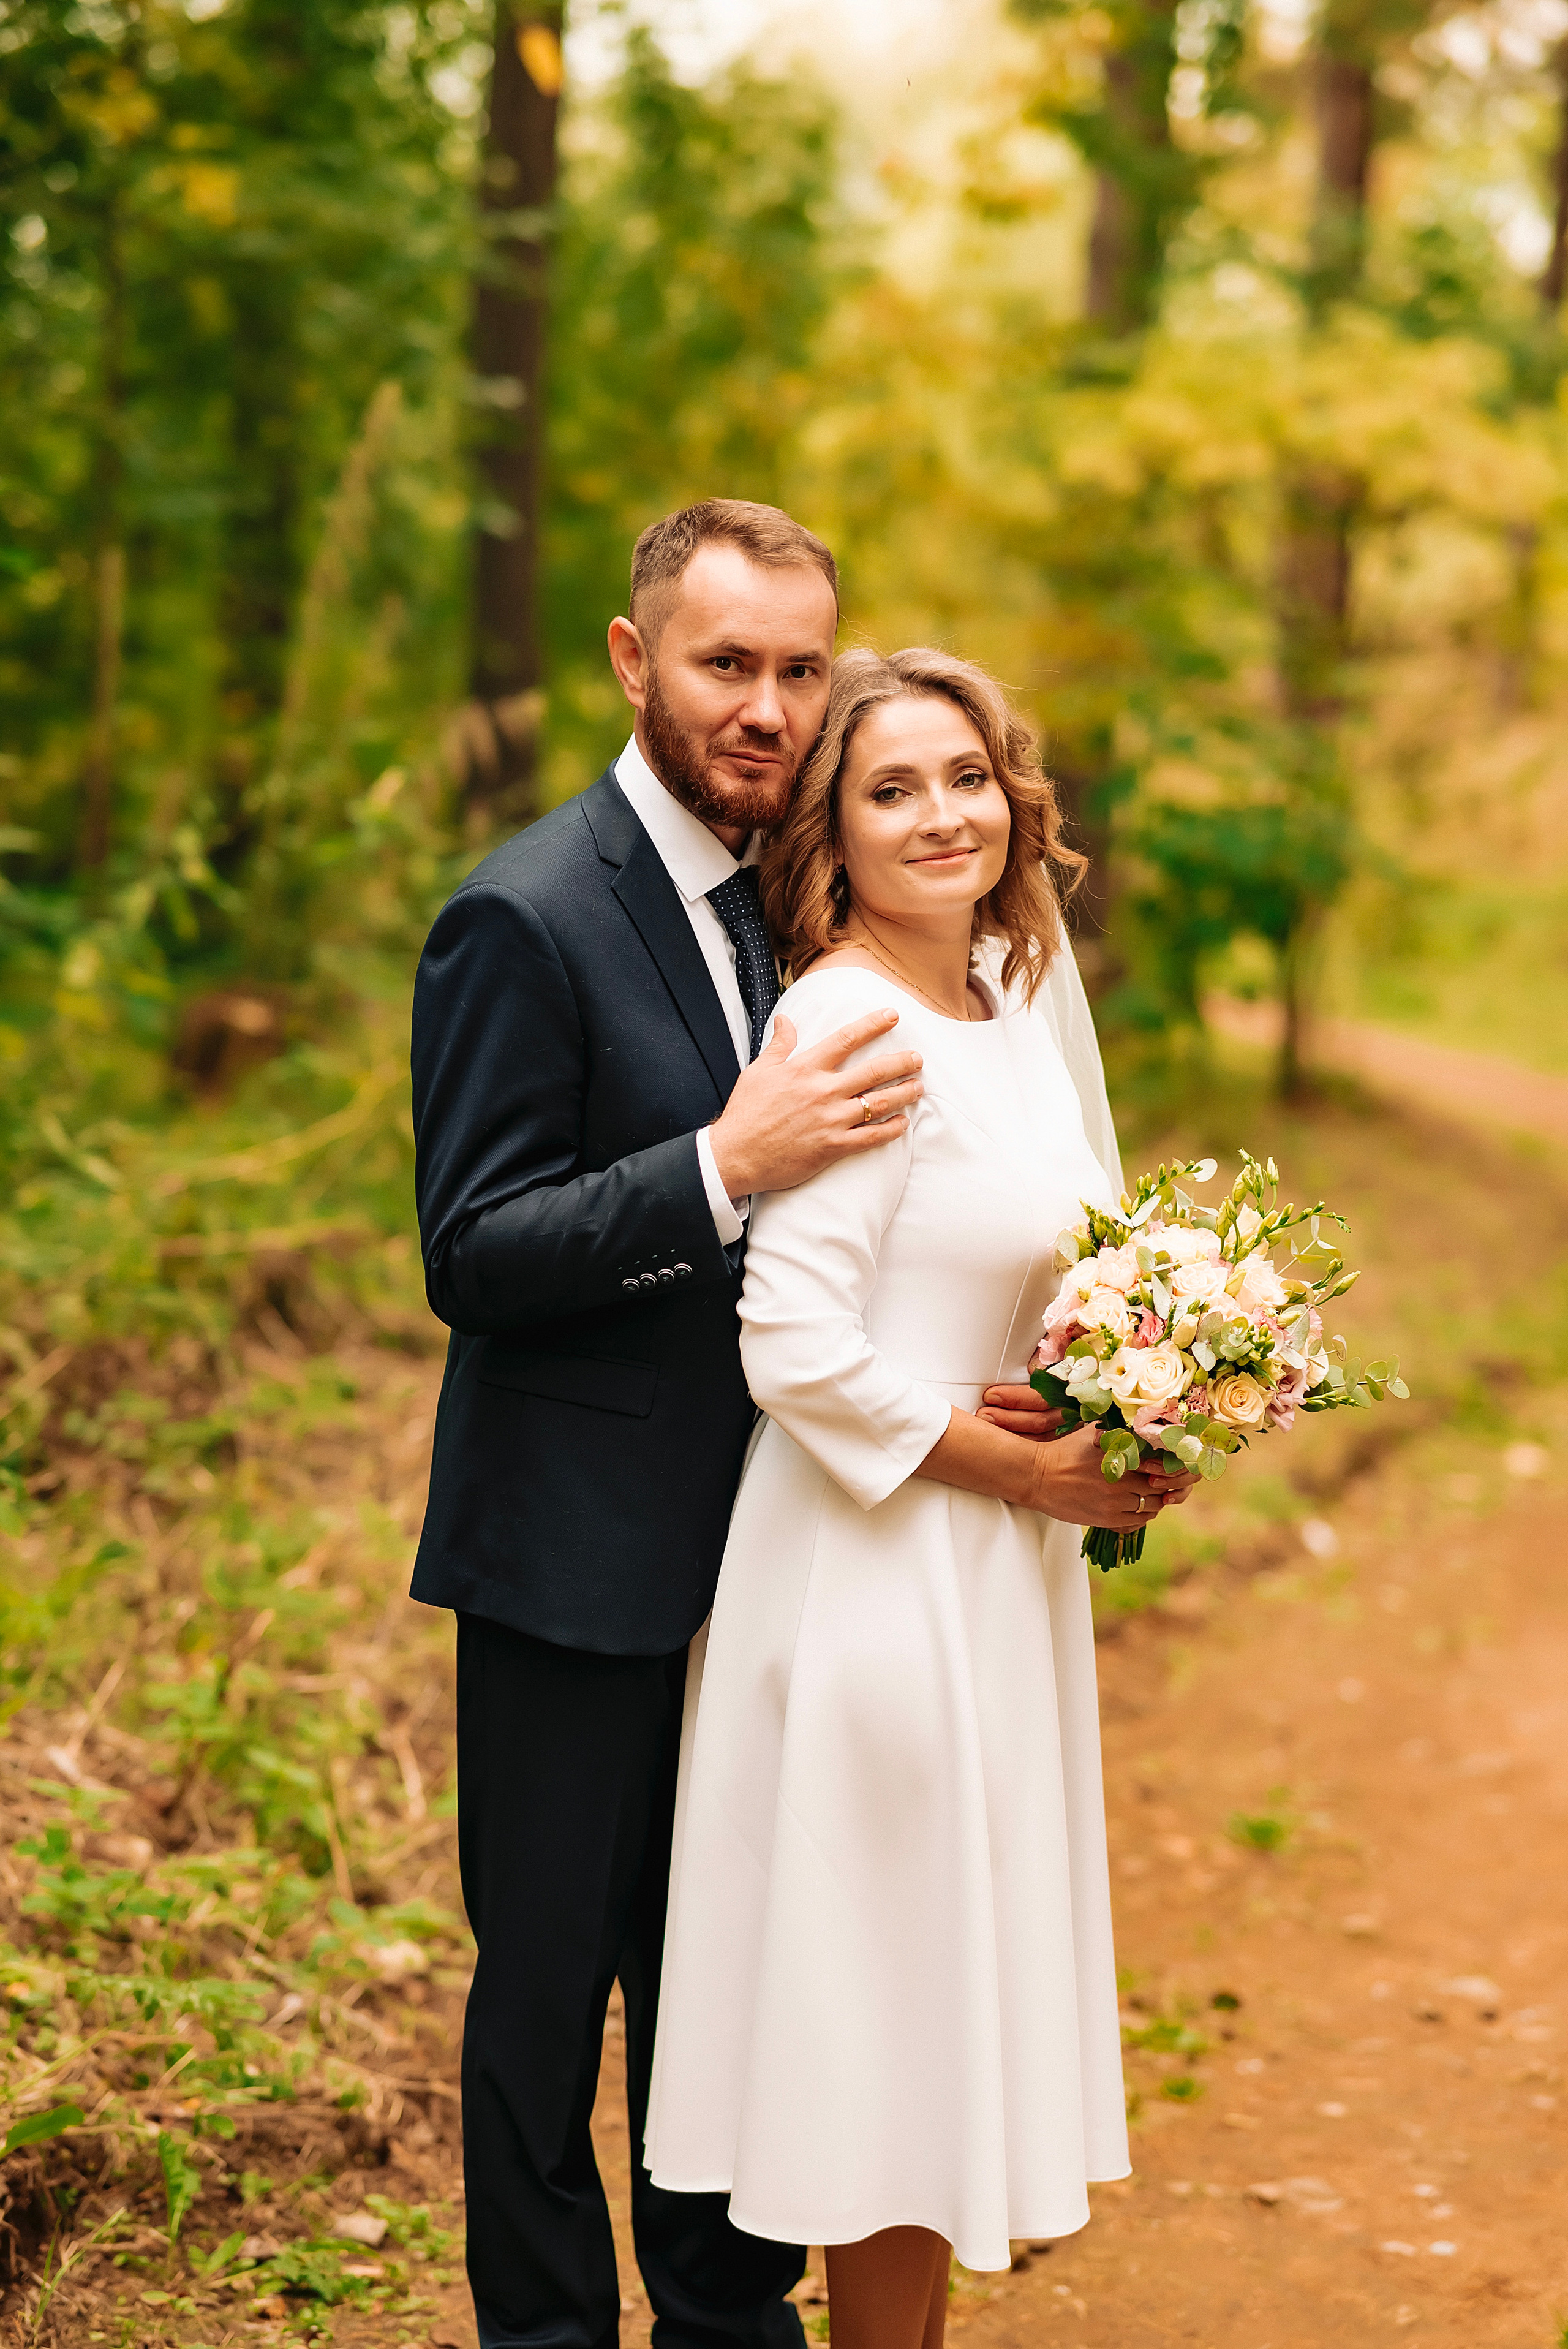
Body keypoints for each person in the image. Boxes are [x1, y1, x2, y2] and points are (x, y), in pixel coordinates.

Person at [409, 499, 947, 2349]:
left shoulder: (808, 912)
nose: (772, 709)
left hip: (771, 1561)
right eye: (729, 664)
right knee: (549, 2008)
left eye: (804, 670)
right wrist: (725, 1165)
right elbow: (474, 1250)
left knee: (727, 1986)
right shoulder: (523, 909)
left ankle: (730, 2329)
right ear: (637, 661)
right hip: (568, 1564)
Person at [644, 647, 1195, 2349]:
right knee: (886, 2040)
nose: (940, 812)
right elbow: (792, 1342)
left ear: (1013, 799)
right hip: (875, 1576)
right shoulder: (848, 1018)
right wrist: (1020, 1459)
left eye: (966, 776)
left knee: (936, 2022)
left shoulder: (1015, 996)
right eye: (892, 787)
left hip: (997, 1569)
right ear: (835, 828)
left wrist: (1150, 1405)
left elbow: (1064, 1282)